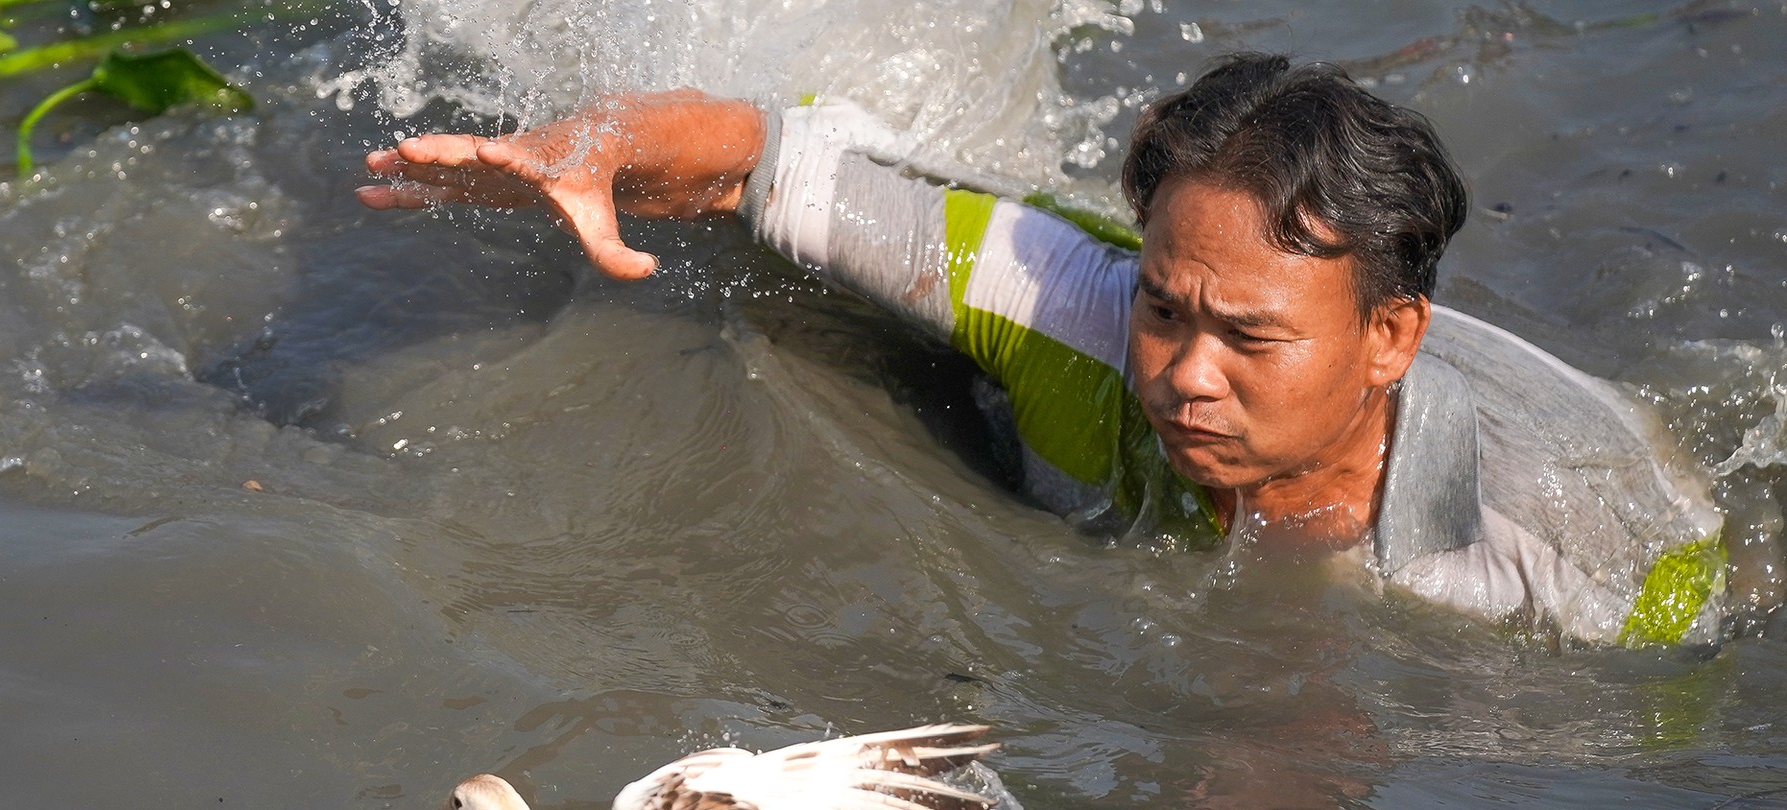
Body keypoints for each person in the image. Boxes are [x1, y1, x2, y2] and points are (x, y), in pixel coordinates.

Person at [356, 54, 1726, 646]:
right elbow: (764, 157)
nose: (1184, 371)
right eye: (1167, 310)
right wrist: (591, 150)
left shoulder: (1549, 551)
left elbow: (1680, 685)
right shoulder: (1069, 291)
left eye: (1247, 337)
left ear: (1387, 339)